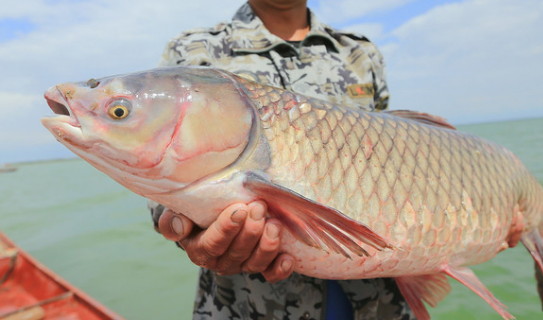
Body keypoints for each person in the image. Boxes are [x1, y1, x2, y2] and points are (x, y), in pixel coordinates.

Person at [151, 1, 414, 319]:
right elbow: (157, 161)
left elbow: (393, 155)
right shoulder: (193, 49)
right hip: (247, 304)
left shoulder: (360, 52)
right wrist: (187, 231)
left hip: (378, 297)